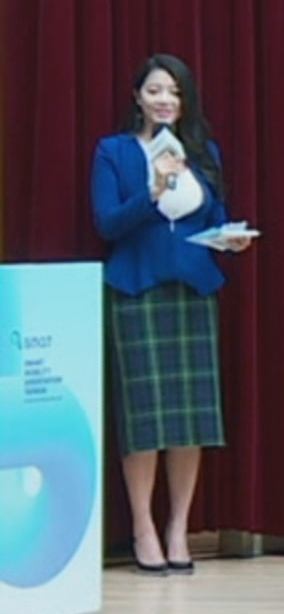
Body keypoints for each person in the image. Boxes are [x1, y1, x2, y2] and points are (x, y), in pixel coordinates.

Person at [92, 54, 252, 574]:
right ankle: (143, 527)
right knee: (144, 418)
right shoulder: (115, 151)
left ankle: (178, 528)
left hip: (194, 290)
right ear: (137, 97)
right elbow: (108, 224)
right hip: (137, 289)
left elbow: (213, 216)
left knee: (190, 419)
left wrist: (228, 237)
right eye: (156, 91)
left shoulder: (203, 153)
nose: (165, 100)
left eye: (175, 93)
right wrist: (154, 190)